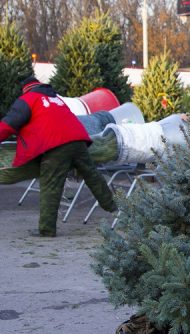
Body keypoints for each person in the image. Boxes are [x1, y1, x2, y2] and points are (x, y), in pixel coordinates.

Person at [0, 77, 116, 237]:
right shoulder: (56, 99)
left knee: (51, 185)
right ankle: (117, 209)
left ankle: (47, 230)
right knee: (93, 176)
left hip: (56, 145)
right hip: (79, 141)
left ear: (25, 89)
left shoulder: (28, 99)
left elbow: (8, 124)